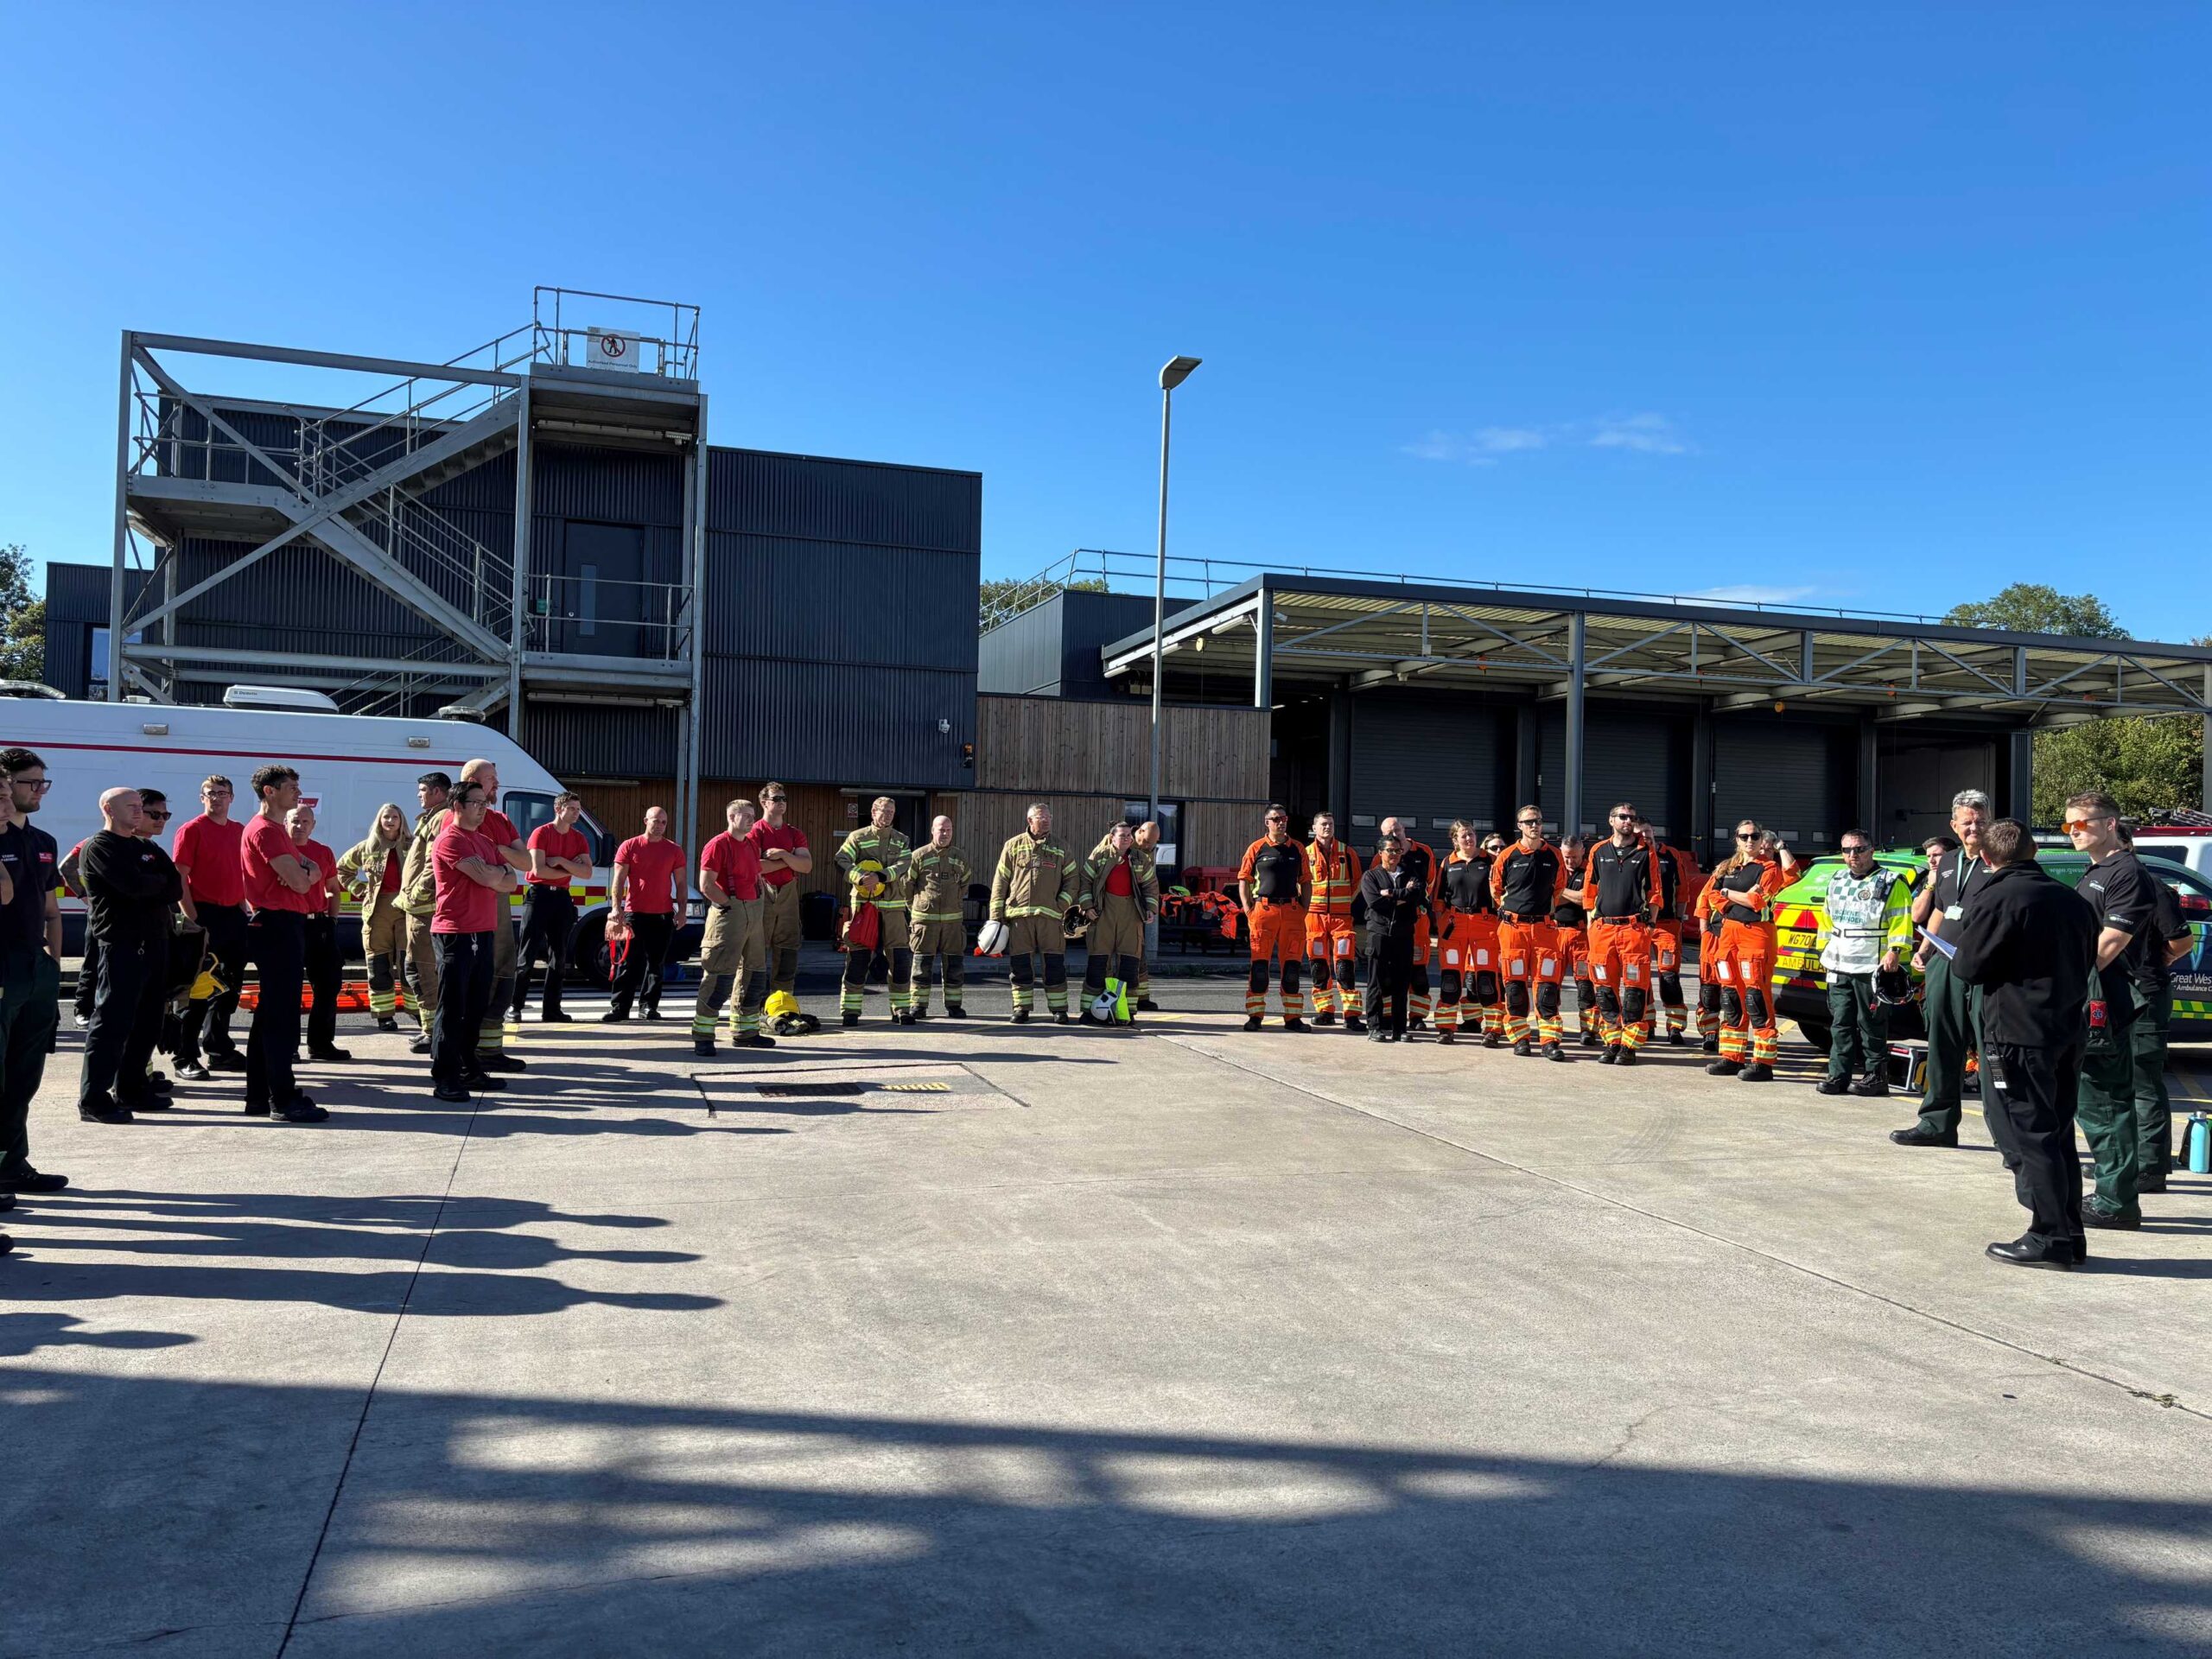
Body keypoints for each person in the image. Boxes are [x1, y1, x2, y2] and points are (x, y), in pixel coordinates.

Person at [1946, 817, 2097, 1268]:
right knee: (2057, 1131)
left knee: (2030, 1133)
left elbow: (1968, 966)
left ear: (1988, 858)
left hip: (2016, 1033)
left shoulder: (1997, 897)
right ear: (2033, 851)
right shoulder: (2072, 899)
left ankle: (2049, 1236)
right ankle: (2069, 1232)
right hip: (2066, 1028)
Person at [2062, 791, 2158, 1230]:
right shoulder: (2096, 871)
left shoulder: (2127, 873)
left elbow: (2109, 944)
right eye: (2068, 826)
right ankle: (2112, 1191)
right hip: (2090, 994)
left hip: (2104, 998)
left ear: (2110, 824)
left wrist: (2063, 981)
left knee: (2104, 1101)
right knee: (2092, 1100)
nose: (2073, 832)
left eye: (2079, 824)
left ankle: (2116, 1203)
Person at [76, 788, 183, 1122]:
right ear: (108, 808)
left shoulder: (146, 847)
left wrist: (149, 883)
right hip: (121, 945)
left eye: (141, 806)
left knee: (148, 1022)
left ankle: (132, 1088)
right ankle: (94, 1099)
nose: (140, 812)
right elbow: (131, 886)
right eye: (132, 806)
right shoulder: (100, 847)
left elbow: (175, 887)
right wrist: (153, 884)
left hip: (155, 943)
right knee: (112, 1023)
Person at [1891, 791, 1991, 1147]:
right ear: (1954, 826)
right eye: (1967, 822)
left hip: (1985, 970)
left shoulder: (2000, 861)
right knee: (1941, 1044)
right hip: (1944, 966)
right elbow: (1940, 909)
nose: (1974, 827)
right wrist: (1925, 949)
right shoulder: (1946, 862)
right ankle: (1937, 1125)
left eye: (1980, 820)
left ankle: (2008, 1136)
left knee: (1990, 1050)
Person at [240, 766, 327, 1123]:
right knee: (280, 1016)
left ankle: (260, 1095)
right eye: (291, 787)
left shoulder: (278, 832)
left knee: (270, 1014)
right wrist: (305, 874)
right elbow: (302, 880)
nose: (298, 792)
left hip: (282, 923)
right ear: (269, 791)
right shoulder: (266, 831)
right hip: (276, 924)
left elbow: (313, 869)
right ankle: (282, 1097)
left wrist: (306, 873)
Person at [2118, 822, 2196, 1192]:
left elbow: (2183, 941)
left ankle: (2151, 1168)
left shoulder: (2151, 887)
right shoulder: (2111, 883)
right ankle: (2128, 1162)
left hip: (2146, 993)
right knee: (2121, 1082)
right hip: (2117, 993)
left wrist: (2158, 961)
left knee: (2143, 1082)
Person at [429, 781, 518, 1103]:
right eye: (477, 803)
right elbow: (486, 878)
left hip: (484, 930)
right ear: (458, 806)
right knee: (452, 1008)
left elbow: (510, 881)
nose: (484, 808)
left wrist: (496, 872)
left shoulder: (483, 840)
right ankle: (445, 1076)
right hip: (456, 932)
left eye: (484, 802)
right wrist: (496, 873)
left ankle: (469, 1066)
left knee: (476, 1004)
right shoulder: (450, 840)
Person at [1814, 830, 1913, 1097]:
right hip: (1839, 964)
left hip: (1871, 966)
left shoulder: (1891, 882)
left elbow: (1902, 919)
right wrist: (1824, 951)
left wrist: (1895, 951)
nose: (1852, 855)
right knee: (1840, 1022)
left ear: (1871, 850)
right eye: (1846, 850)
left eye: (1858, 849)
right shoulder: (1836, 880)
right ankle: (1838, 1075)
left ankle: (1875, 1076)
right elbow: (1826, 920)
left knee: (1871, 1024)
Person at [1700, 822, 1800, 1082]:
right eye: (1744, 836)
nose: (1750, 841)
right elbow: (1712, 896)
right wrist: (1736, 897)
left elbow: (1758, 902)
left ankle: (1763, 1062)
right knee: (1731, 996)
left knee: (1756, 998)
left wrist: (1728, 892)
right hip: (1729, 934)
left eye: (1755, 836)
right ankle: (1732, 1057)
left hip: (1756, 936)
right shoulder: (1726, 868)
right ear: (1736, 839)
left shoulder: (1768, 868)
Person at [1573, 803, 1667, 1065]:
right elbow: (1590, 890)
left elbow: (1655, 891)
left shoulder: (1645, 851)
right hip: (1603, 931)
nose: (1628, 821)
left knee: (1635, 991)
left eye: (1631, 818)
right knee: (1604, 990)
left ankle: (1629, 1046)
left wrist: (1650, 925)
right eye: (1623, 817)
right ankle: (1612, 1042)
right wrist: (1591, 922)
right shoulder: (1598, 850)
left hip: (1634, 930)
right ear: (1611, 820)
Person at [170, 773, 248, 1078]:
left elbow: (241, 873)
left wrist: (244, 908)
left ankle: (218, 1049)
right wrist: (192, 920)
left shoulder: (240, 831)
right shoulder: (192, 830)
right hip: (203, 916)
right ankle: (185, 1056)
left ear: (231, 798)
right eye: (210, 793)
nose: (216, 798)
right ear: (202, 798)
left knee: (229, 988)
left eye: (222, 793)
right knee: (196, 992)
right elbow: (180, 878)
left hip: (233, 917)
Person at [691, 797, 774, 1057]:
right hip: (729, 915)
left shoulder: (750, 844)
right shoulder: (717, 845)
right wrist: (727, 905)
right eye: (746, 815)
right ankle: (703, 1035)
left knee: (754, 975)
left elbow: (755, 873)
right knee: (720, 977)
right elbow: (707, 885)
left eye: (753, 815)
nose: (752, 819)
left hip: (753, 914)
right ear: (731, 817)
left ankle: (746, 1032)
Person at [1491, 806, 1569, 1059]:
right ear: (1520, 826)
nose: (1534, 826)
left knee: (1547, 988)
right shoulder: (1507, 855)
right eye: (1529, 822)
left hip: (1545, 930)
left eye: (1538, 821)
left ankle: (1549, 1041)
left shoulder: (1554, 855)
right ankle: (1520, 1038)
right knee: (1514, 987)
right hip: (1514, 929)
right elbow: (1496, 889)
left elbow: (1559, 888)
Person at [988, 803, 1077, 1024]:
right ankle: (1021, 1008)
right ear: (1030, 821)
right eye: (1041, 817)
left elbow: (1072, 881)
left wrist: (1060, 906)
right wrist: (996, 914)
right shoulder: (1013, 846)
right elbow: (1001, 881)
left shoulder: (1061, 847)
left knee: (1055, 964)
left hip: (1050, 919)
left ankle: (1059, 1009)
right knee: (1020, 967)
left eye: (1049, 817)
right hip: (1019, 919)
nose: (1046, 821)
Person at [513, 791, 592, 1023]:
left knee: (559, 957)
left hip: (562, 898)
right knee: (526, 955)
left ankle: (552, 1009)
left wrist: (560, 861)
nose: (576, 813)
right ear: (558, 809)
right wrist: (571, 869)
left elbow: (586, 872)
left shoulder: (579, 838)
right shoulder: (541, 833)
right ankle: (515, 1006)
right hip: (539, 896)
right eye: (572, 809)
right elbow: (538, 871)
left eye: (578, 809)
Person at [836, 798, 915, 1027]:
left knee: (900, 960)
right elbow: (841, 860)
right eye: (884, 811)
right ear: (873, 811)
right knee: (858, 960)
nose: (888, 815)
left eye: (892, 811)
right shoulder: (857, 837)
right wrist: (860, 877)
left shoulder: (901, 840)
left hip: (893, 910)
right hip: (864, 909)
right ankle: (850, 1010)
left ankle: (901, 1009)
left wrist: (880, 876)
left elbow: (904, 864)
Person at [602, 807, 685, 1022]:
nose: (659, 826)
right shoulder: (630, 846)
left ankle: (648, 1006)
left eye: (664, 822)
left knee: (656, 964)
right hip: (634, 914)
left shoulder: (674, 850)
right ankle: (620, 1007)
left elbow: (682, 883)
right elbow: (619, 880)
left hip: (663, 915)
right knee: (629, 962)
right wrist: (616, 909)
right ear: (645, 820)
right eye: (656, 821)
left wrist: (682, 911)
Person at [336, 803, 410, 1032]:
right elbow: (342, 869)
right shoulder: (366, 847)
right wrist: (360, 889)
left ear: (401, 820)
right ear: (379, 821)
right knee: (378, 966)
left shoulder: (413, 845)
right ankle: (384, 1016)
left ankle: (418, 1013)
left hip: (408, 912)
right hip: (377, 913)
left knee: (410, 966)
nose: (390, 821)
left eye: (394, 817)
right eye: (386, 817)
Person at [1237, 804, 1311, 1033]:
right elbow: (1244, 880)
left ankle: (1293, 1018)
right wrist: (1249, 909)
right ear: (1266, 822)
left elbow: (1306, 881)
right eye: (1275, 819)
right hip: (1263, 912)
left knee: (1291, 970)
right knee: (1260, 969)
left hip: (1292, 912)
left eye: (1283, 818)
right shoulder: (1257, 848)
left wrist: (1303, 909)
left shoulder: (1298, 848)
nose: (1281, 822)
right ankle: (1255, 1016)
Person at [397, 772, 454, 1056]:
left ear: (437, 792)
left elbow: (434, 861)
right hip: (416, 909)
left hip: (424, 909)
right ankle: (429, 1029)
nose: (419, 795)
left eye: (422, 790)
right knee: (416, 969)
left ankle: (433, 1032)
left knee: (422, 969)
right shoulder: (432, 817)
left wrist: (416, 894)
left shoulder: (442, 817)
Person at [288, 804, 349, 1064]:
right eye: (294, 820)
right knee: (287, 988)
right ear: (285, 823)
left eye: (305, 821)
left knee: (329, 984)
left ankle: (321, 1044)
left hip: (319, 924)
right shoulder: (280, 851)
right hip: (289, 924)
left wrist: (332, 920)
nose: (299, 826)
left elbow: (334, 888)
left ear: (313, 825)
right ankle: (287, 1045)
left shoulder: (323, 852)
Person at [747, 783, 814, 1020]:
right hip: (762, 891)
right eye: (776, 798)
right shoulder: (755, 831)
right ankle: (751, 1006)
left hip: (788, 892)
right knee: (756, 949)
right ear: (764, 802)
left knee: (787, 948)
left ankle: (782, 1005)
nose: (782, 802)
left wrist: (784, 854)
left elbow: (806, 866)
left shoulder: (795, 833)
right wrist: (792, 859)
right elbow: (756, 866)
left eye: (784, 798)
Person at [1077, 822, 1155, 1026]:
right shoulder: (1098, 856)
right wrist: (1087, 906)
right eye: (1122, 835)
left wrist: (1150, 909)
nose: (1128, 838)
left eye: (1129, 835)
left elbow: (1151, 885)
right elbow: (1084, 881)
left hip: (1131, 916)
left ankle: (1126, 1011)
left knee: (1129, 965)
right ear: (1112, 838)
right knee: (1097, 964)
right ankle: (1088, 1011)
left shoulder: (1141, 859)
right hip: (1103, 915)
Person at [1435, 821, 1501, 1047]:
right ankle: (1446, 1028)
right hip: (1455, 925)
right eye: (1463, 836)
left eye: (1471, 834)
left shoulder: (1490, 860)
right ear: (1455, 840)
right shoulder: (1447, 863)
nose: (1469, 839)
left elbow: (1502, 893)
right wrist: (1442, 927)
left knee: (1486, 980)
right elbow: (1438, 900)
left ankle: (1492, 1029)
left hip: (1484, 924)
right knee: (1451, 980)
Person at [1358, 835, 1425, 1040]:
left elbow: (1417, 897)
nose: (1395, 854)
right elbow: (1376, 903)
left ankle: (1400, 1029)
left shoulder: (1410, 874)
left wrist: (1392, 894)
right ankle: (1375, 1027)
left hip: (1404, 934)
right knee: (1376, 981)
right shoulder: (1370, 876)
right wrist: (1403, 895)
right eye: (1390, 850)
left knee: (1401, 982)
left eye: (1398, 850)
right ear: (1381, 853)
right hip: (1379, 933)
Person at [1303, 812, 1365, 1033]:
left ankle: (1351, 1015)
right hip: (1314, 918)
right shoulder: (1305, 853)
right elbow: (1299, 883)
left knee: (1345, 966)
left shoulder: (1347, 852)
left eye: (1330, 824)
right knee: (1318, 966)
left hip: (1341, 918)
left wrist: (1346, 901)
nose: (1327, 827)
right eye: (1323, 824)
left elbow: (1358, 880)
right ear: (1314, 827)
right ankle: (1325, 1011)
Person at [910, 817, 973, 1020]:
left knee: (954, 965)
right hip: (925, 922)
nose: (945, 833)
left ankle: (954, 1006)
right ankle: (918, 1006)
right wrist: (916, 908)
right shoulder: (919, 856)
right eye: (941, 830)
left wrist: (954, 903)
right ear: (932, 831)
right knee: (922, 966)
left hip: (953, 923)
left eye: (948, 829)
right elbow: (907, 886)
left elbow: (965, 883)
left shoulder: (959, 857)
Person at [1377, 817, 1438, 1027]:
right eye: (1388, 834)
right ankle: (1388, 1016)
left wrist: (1403, 896)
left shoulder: (1423, 852)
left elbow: (1428, 885)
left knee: (1418, 972)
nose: (1393, 836)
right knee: (1387, 972)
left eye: (1396, 831)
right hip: (1391, 920)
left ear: (1404, 829)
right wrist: (1407, 894)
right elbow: (1377, 888)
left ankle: (1417, 1017)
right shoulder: (1382, 855)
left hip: (1418, 919)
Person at [1552, 834, 1599, 1047]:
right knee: (1550, 983)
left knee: (1585, 984)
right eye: (1566, 857)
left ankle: (1588, 1030)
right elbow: (1548, 898)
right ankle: (1551, 1029)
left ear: (1583, 853)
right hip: (1555, 934)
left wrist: (1561, 892)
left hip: (1581, 936)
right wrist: (1572, 894)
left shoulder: (1590, 870)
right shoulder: (1555, 868)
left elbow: (1585, 898)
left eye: (1574, 857)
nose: (1570, 861)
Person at [1132, 819, 1162, 1011]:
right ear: (1140, 831)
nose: (1149, 846)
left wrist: (1150, 907)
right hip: (1118, 910)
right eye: (1147, 842)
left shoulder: (1147, 852)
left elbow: (1150, 883)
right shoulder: (1121, 842)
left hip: (1137, 912)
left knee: (1140, 957)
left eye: (1153, 843)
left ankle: (1142, 998)